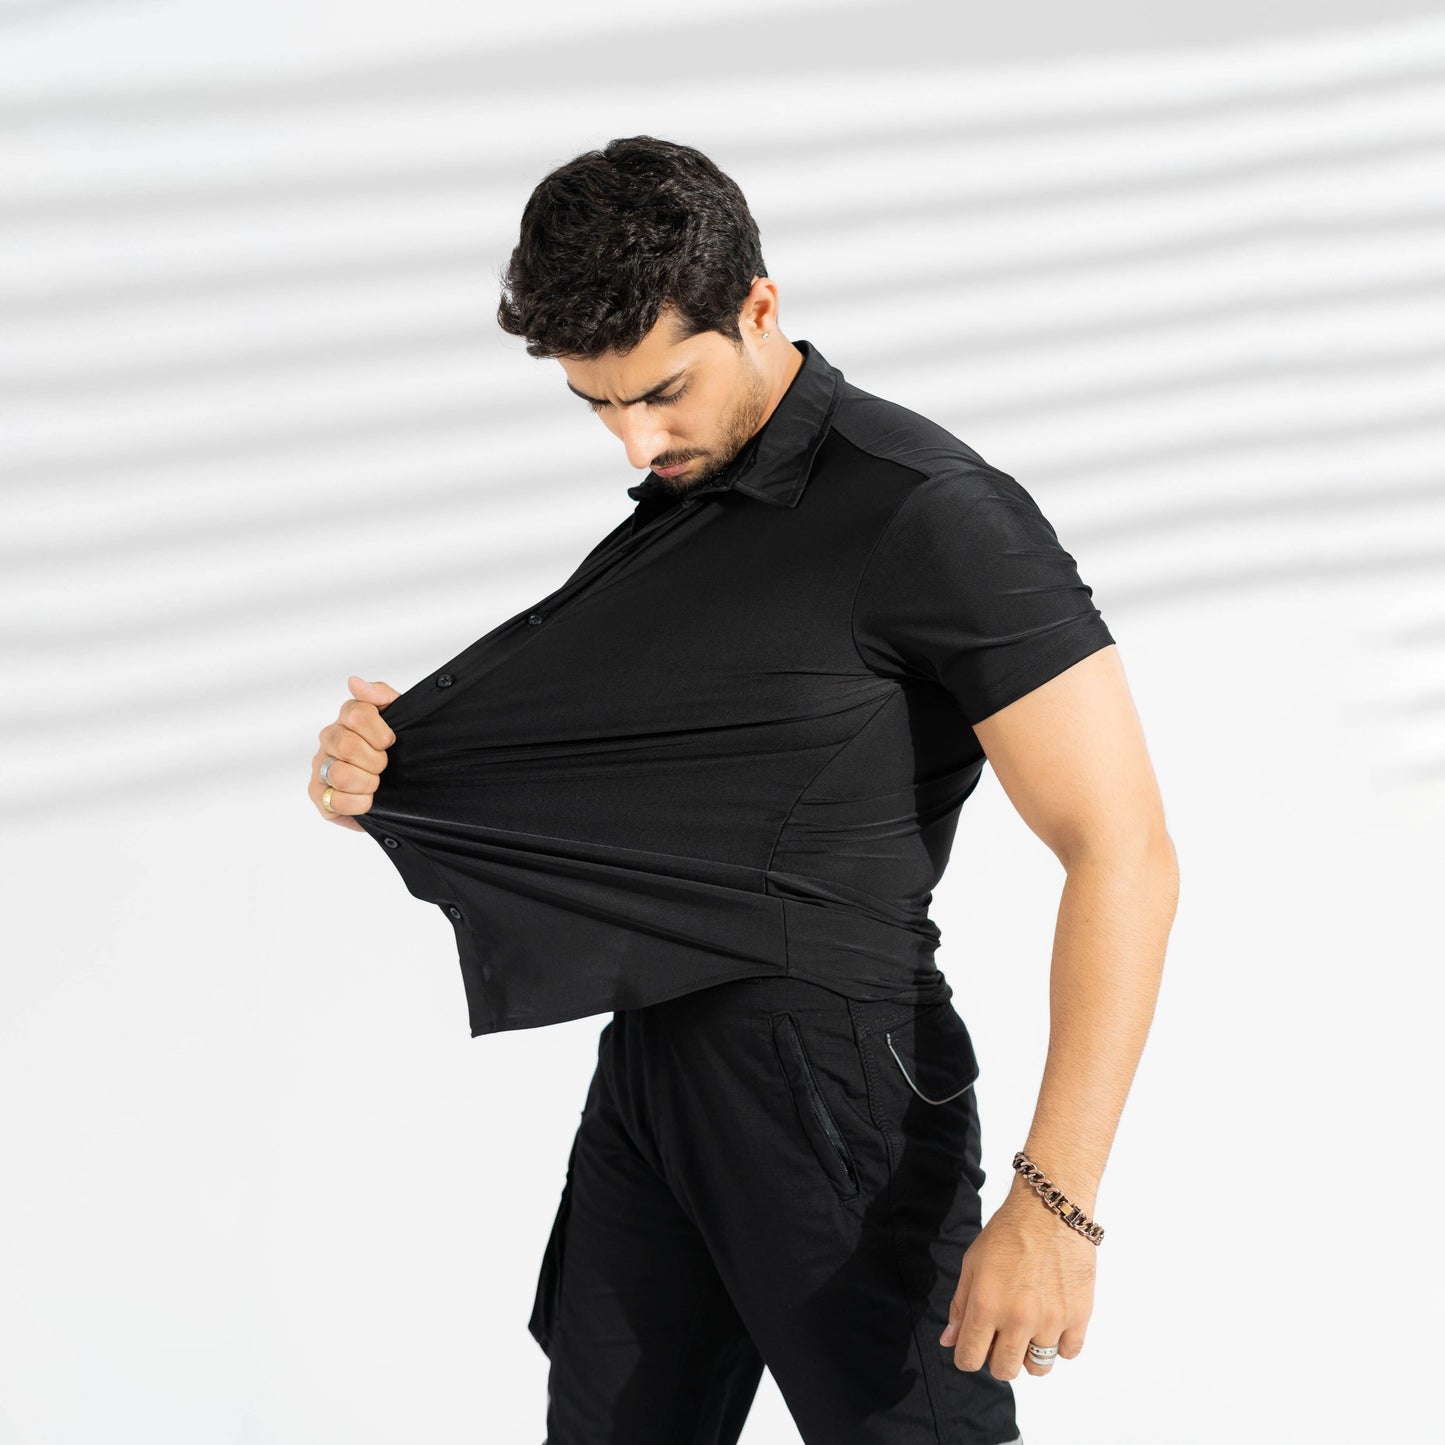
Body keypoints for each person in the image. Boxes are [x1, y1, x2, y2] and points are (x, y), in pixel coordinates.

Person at [307, 135, 1178, 1445]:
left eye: (662, 391)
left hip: (840, 1088)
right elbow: (656, 777)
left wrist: (1056, 1204)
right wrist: (393, 764)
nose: (635, 437)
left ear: (759, 307)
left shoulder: (932, 511)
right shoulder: (689, 501)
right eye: (596, 405)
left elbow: (1124, 850)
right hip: (652, 1068)